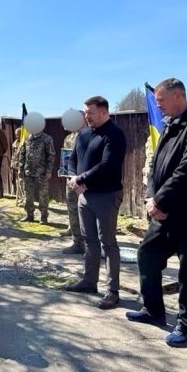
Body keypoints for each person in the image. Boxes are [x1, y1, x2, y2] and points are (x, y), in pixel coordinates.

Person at [124, 79, 187, 346]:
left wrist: (161, 202)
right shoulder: (170, 126)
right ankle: (153, 309)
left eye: (161, 100)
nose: (158, 105)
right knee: (147, 255)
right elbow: (155, 167)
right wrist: (151, 197)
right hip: (162, 213)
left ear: (178, 96)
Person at [63, 96, 127, 302]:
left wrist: (81, 179)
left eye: (90, 113)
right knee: (89, 241)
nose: (87, 116)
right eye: (85, 113)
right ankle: (89, 282)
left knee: (108, 242)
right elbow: (72, 159)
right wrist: (74, 178)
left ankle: (112, 291)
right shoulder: (83, 134)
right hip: (84, 195)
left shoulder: (114, 134)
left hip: (106, 195)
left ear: (103, 111)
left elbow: (108, 164)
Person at [60, 109, 86, 255]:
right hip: (70, 180)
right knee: (72, 209)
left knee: (88, 212)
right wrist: (63, 170)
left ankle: (92, 244)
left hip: (85, 180)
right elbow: (66, 157)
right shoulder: (69, 138)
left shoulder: (91, 134)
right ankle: (78, 243)